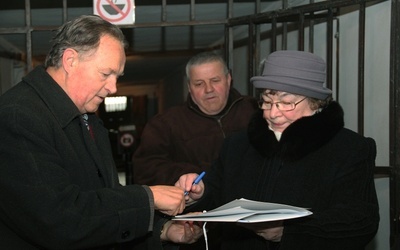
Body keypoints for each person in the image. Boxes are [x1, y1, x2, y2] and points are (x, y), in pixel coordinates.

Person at [0, 15, 202, 249]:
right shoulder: (19, 117)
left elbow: (102, 201)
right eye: (106, 74)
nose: (113, 88)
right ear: (70, 60)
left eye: (117, 77)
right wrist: (149, 198)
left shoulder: (86, 118)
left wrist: (162, 230)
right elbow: (60, 220)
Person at [177, 50, 380, 250]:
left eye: (286, 103)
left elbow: (360, 222)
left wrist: (288, 231)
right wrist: (199, 193)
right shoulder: (237, 145)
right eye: (267, 101)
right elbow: (216, 195)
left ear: (315, 102)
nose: (273, 113)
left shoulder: (349, 149)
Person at [133, 51, 258, 186]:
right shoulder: (165, 124)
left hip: (256, 202)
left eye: (215, 81)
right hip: (200, 205)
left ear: (228, 79)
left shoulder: (255, 110)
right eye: (199, 84)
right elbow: (145, 169)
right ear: (189, 87)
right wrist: (189, 175)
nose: (209, 89)